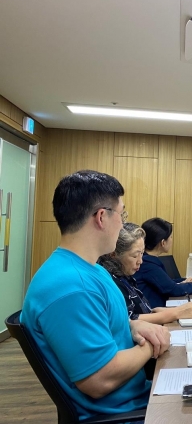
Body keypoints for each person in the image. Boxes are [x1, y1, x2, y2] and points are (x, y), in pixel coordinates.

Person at [20, 170, 170, 420]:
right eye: (122, 214)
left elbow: (107, 320)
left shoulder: (92, 270)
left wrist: (132, 326)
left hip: (140, 398)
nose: (123, 223)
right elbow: (99, 380)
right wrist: (153, 345)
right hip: (127, 414)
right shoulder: (71, 287)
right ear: (102, 217)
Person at [98, 222, 192, 324]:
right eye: (134, 256)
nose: (140, 261)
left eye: (142, 253)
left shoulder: (126, 275)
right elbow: (129, 320)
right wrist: (175, 313)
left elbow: (142, 309)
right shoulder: (110, 281)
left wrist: (159, 312)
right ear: (113, 254)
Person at [133, 218, 192, 308]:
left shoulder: (147, 259)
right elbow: (171, 289)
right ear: (163, 242)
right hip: (153, 313)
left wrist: (184, 281)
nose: (171, 240)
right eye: (170, 237)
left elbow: (165, 282)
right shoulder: (147, 263)